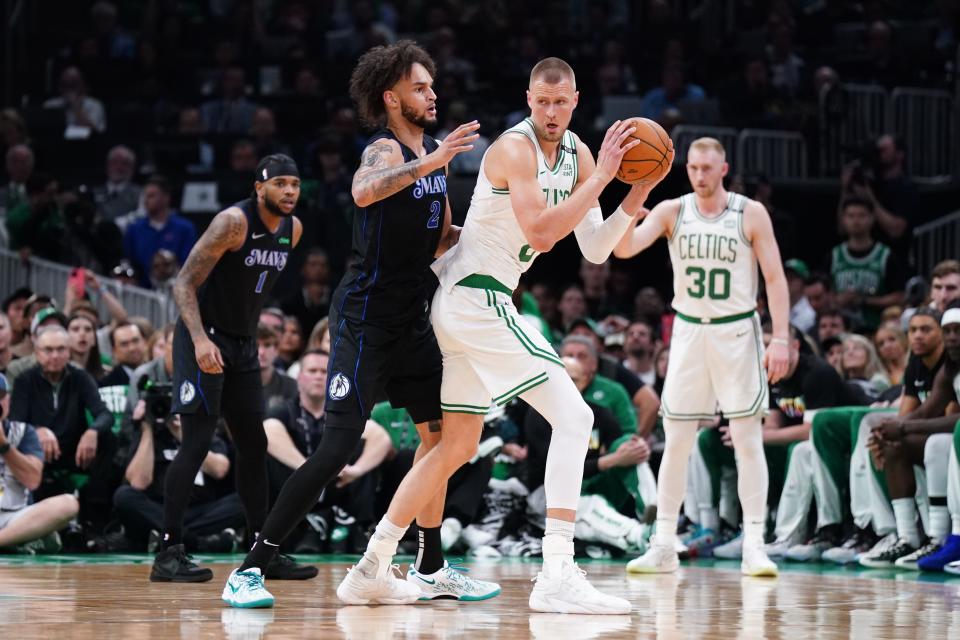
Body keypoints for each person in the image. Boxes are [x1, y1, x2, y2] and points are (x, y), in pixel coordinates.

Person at [338, 55, 658, 615]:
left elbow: (597, 248)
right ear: (528, 99)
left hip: (467, 306)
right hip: (476, 297)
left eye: (561, 102)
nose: (552, 112)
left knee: (456, 445)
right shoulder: (513, 147)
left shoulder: (582, 154)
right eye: (542, 102)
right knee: (576, 417)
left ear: (576, 101)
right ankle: (557, 570)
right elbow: (540, 231)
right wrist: (607, 176)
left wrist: (636, 191)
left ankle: (371, 566)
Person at [223, 41, 488, 608]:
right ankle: (250, 569)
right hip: (363, 321)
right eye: (420, 87)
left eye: (432, 85)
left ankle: (431, 565)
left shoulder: (433, 155)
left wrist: (502, 234)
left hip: (412, 321)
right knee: (336, 448)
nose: (432, 93)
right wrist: (433, 163)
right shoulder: (385, 150)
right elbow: (363, 191)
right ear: (392, 98)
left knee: (440, 439)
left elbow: (443, 239)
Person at [615, 136, 790, 577]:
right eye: (693, 168)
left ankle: (754, 542)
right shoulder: (673, 210)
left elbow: (774, 276)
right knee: (676, 442)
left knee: (748, 439)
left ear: (724, 168)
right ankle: (663, 544)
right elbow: (624, 248)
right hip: (690, 333)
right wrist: (626, 214)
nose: (700, 175)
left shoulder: (750, 212)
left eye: (708, 168)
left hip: (736, 331)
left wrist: (782, 337)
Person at [150, 153, 312, 584]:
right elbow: (183, 283)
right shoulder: (232, 223)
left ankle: (262, 552)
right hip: (203, 336)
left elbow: (248, 291)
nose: (289, 191)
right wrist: (201, 340)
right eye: (280, 183)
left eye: (294, 184)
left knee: (254, 444)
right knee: (197, 443)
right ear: (258, 188)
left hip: (242, 344)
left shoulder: (292, 231)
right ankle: (168, 552)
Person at [861, 303, 960, 568]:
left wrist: (903, 427)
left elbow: (954, 419)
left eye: (957, 331)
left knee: (938, 445)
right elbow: (929, 409)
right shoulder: (949, 369)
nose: (952, 337)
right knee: (894, 446)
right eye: (948, 331)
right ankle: (908, 538)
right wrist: (890, 431)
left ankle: (943, 539)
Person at [0, 373, 80, 552]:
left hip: (14, 517)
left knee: (68, 504)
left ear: (8, 400)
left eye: (1, 396)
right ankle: (19, 541)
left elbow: (33, 480)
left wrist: (4, 446)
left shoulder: (23, 432)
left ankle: (9, 540)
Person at [122, 175, 197, 288]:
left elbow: (190, 264)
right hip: (142, 292)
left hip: (176, 290)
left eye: (151, 195)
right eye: (145, 196)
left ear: (166, 198)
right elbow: (129, 262)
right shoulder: (134, 229)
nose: (146, 200)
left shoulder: (185, 228)